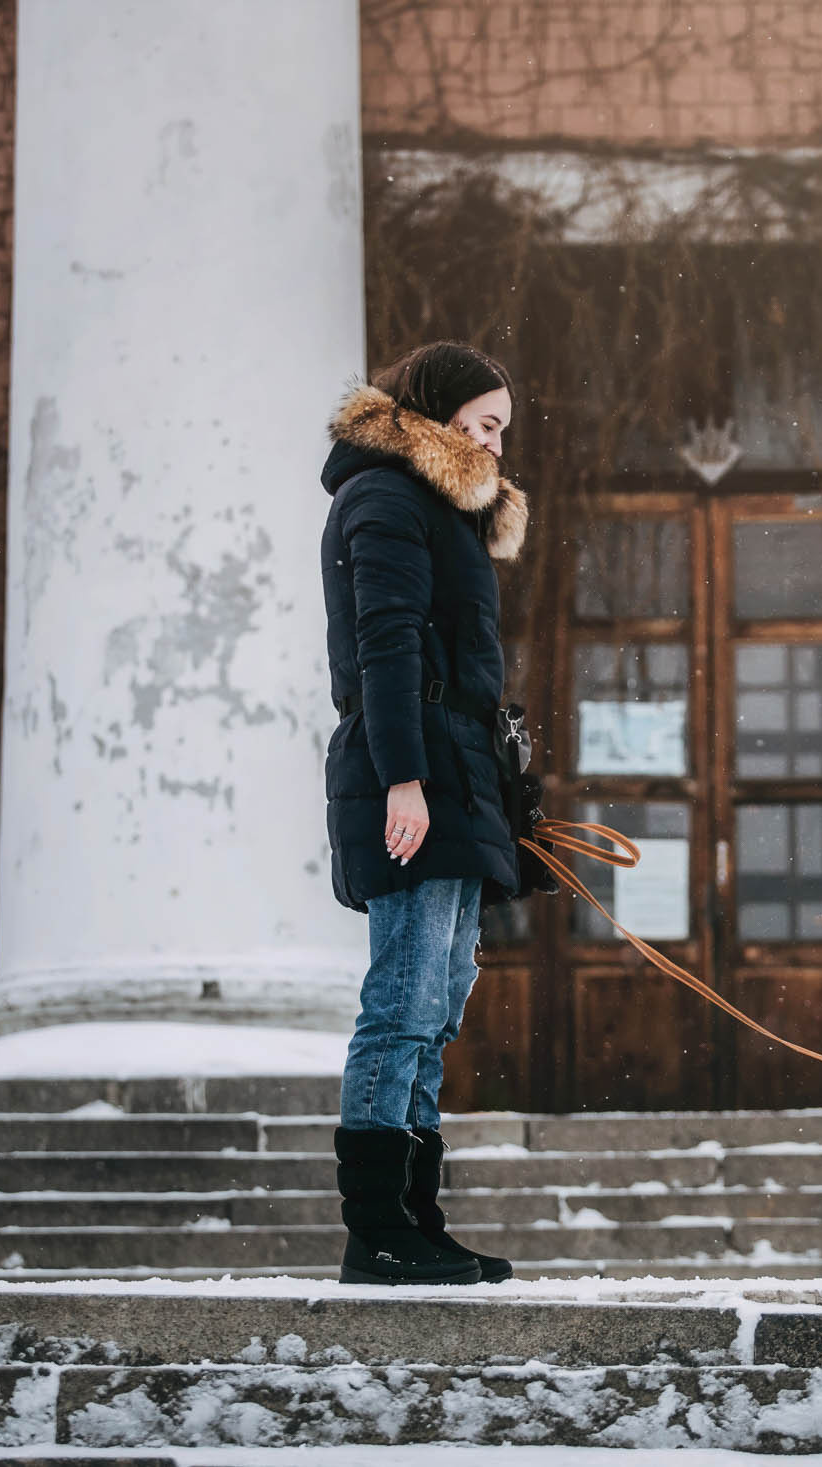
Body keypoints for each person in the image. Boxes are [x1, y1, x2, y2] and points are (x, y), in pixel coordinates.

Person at [319, 341, 531, 1286]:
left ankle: (417, 1215)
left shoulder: (441, 510)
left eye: (501, 431)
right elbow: (386, 644)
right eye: (484, 425)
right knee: (401, 999)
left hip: (454, 773)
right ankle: (377, 1228)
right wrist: (403, 775)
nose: (494, 445)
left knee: (437, 1003)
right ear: (440, 414)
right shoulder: (387, 498)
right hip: (408, 776)